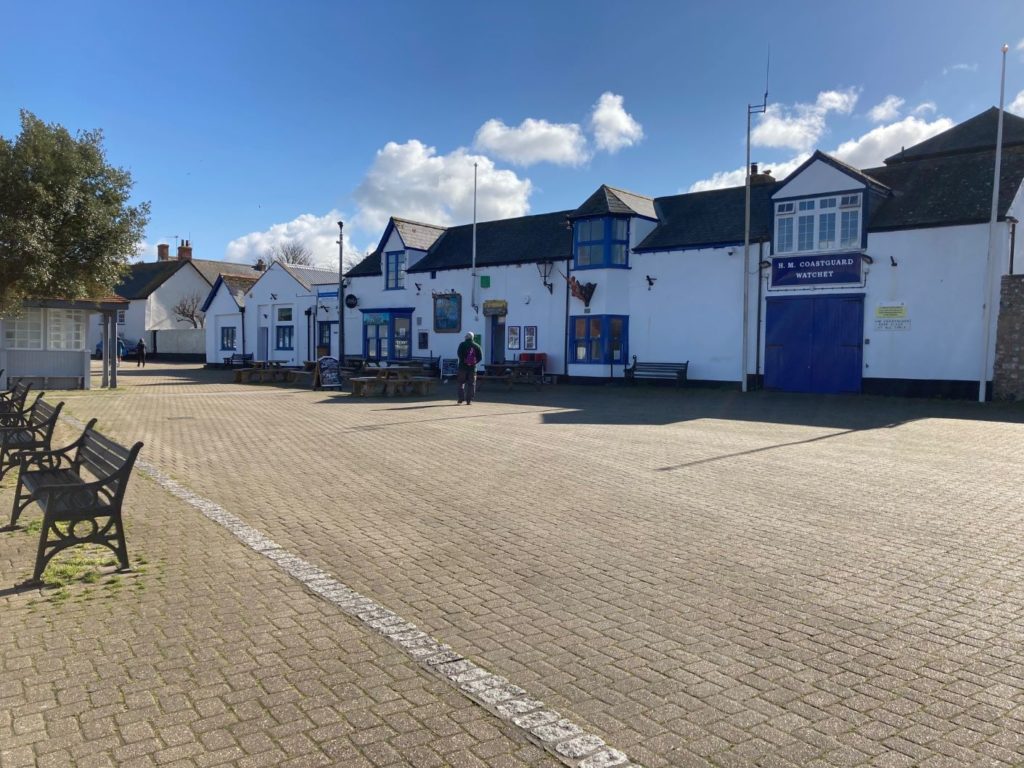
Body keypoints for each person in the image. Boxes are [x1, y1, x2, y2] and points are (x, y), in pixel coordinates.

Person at [456, 332, 482, 405]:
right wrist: (474, 362)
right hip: (472, 368)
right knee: (471, 384)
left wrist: (464, 361)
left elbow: (459, 354)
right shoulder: (477, 346)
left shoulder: (462, 345)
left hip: (462, 368)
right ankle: (469, 400)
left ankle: (460, 399)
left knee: (461, 383)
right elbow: (480, 357)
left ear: (466, 337)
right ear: (472, 337)